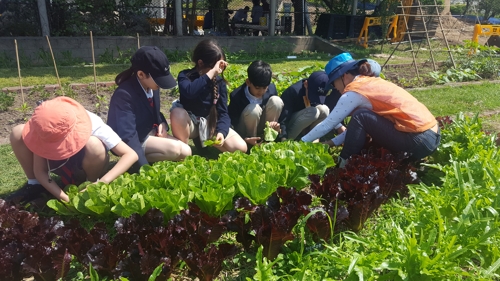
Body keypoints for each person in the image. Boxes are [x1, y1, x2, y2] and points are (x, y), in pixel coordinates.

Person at [301, 53, 441, 167]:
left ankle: (343, 165)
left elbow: (328, 124)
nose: (335, 88)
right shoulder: (369, 82)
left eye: (333, 83)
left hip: (419, 140)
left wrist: (301, 144)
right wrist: (330, 143)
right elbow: (358, 127)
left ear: (344, 76)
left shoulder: (354, 92)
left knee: (360, 115)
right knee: (361, 116)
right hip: (432, 135)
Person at [7, 97, 139, 203]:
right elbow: (40, 170)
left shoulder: (92, 121)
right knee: (19, 131)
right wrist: (64, 198)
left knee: (94, 145)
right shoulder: (43, 128)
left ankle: (90, 182)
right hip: (58, 165)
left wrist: (101, 183)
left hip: (86, 164)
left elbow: (130, 154)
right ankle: (35, 186)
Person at [107, 46, 191, 173]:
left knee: (186, 151)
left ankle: (139, 159)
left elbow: (154, 112)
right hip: (130, 141)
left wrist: (162, 123)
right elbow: (128, 136)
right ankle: (132, 162)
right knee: (176, 149)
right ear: (141, 74)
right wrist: (144, 171)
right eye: (158, 80)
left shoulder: (151, 86)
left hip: (148, 134)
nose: (161, 84)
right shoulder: (124, 95)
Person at [170, 39, 247, 153]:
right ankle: (184, 151)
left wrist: (221, 132)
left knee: (241, 148)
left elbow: (223, 112)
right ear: (200, 63)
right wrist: (210, 74)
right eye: (215, 67)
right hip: (191, 124)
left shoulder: (219, 82)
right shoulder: (185, 76)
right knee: (177, 113)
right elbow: (189, 92)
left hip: (210, 123)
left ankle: (206, 143)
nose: (218, 71)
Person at [228, 60, 284, 146]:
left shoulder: (272, 89)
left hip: (263, 125)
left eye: (265, 88)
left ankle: (268, 139)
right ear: (248, 82)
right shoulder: (236, 95)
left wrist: (277, 127)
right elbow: (233, 122)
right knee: (253, 109)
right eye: (257, 88)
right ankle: (251, 143)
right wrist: (243, 138)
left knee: (276, 101)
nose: (261, 91)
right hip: (245, 130)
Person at [280, 71, 343, 141]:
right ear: (306, 84)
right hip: (291, 123)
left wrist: (339, 126)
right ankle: (289, 140)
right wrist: (283, 137)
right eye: (312, 95)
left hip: (305, 122)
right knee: (313, 112)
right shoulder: (293, 91)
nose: (314, 99)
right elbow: (283, 119)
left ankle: (312, 138)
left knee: (325, 109)